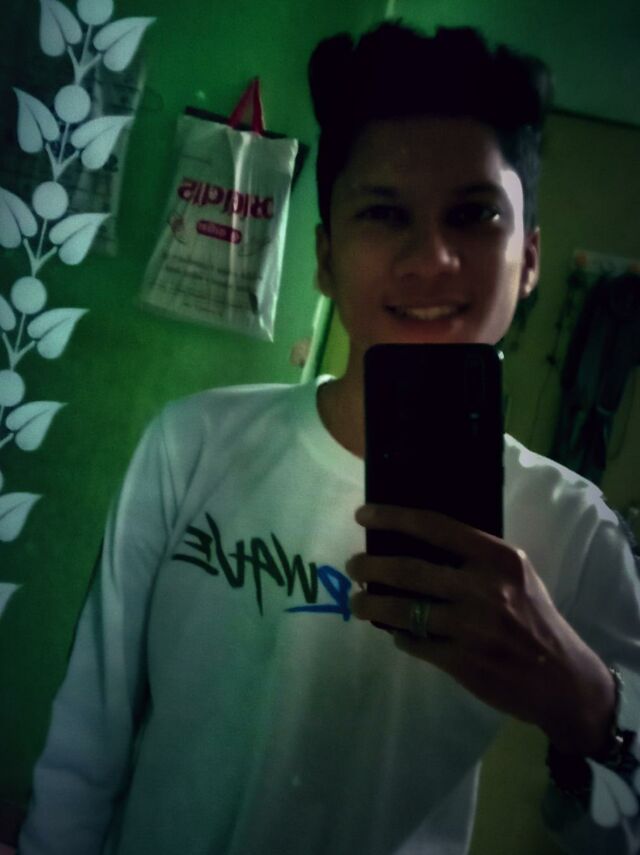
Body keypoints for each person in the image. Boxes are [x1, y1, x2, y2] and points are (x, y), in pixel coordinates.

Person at [18, 20, 640, 855]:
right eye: (384, 213)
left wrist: (588, 702)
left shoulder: (575, 528)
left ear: (528, 259)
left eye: (474, 214)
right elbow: (85, 744)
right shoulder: (192, 443)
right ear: (323, 255)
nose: (431, 257)